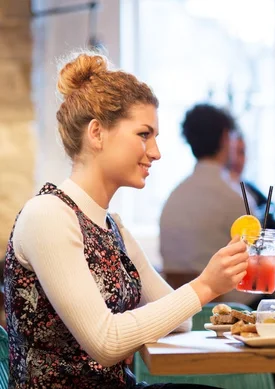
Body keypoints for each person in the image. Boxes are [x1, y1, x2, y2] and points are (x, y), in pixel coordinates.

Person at [3, 52, 249, 388]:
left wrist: (209, 283)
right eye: (144, 134)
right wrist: (206, 285)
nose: (156, 152)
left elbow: (182, 322)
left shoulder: (112, 227)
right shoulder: (48, 215)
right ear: (97, 134)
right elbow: (106, 343)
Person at [160, 104, 275, 308]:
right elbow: (264, 263)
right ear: (226, 138)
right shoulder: (233, 196)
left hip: (180, 306)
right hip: (229, 306)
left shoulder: (173, 197)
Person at [226, 131, 275, 233]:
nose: (237, 159)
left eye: (242, 152)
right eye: (233, 153)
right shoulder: (222, 189)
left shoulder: (249, 188)